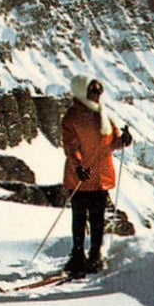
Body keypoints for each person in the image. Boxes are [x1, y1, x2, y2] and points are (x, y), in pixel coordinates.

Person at [61, 75, 132, 277]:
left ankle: (91, 256)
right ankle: (80, 255)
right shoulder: (73, 117)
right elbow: (71, 146)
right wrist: (78, 165)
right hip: (83, 178)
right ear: (82, 92)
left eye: (99, 92)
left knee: (95, 219)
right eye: (93, 92)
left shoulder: (103, 115)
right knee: (81, 219)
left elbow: (111, 143)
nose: (97, 95)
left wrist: (124, 140)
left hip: (92, 176)